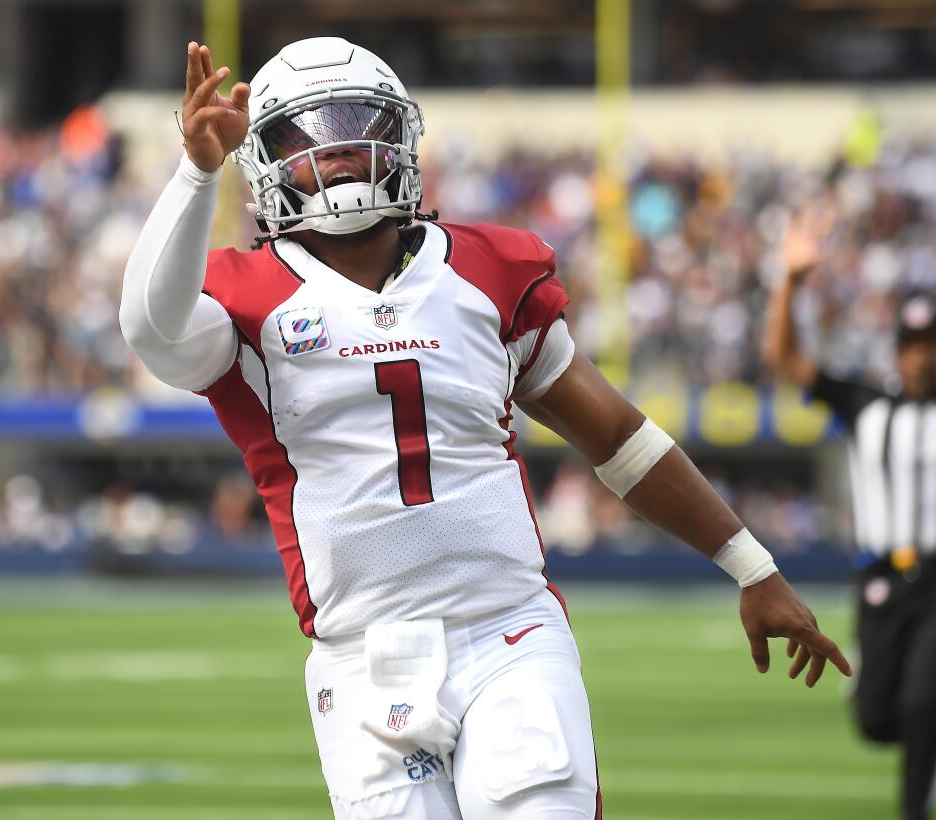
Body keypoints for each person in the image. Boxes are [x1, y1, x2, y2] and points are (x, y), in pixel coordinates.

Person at [121, 37, 851, 819]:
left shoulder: (484, 270)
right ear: (263, 158)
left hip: (508, 634)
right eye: (305, 134)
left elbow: (621, 440)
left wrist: (752, 565)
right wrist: (196, 171)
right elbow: (149, 325)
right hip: (361, 659)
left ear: (400, 134)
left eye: (354, 121)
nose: (334, 150)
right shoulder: (244, 297)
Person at [763, 225, 936, 820]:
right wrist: (790, 282)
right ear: (898, 351)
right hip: (878, 579)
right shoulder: (865, 405)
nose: (923, 355)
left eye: (932, 344)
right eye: (913, 344)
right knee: (875, 720)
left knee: (926, 707)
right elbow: (784, 359)